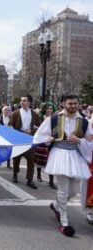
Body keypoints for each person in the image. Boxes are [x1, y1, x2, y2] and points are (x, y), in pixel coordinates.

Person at [34, 95, 93, 237]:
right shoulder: (52, 119)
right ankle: (64, 222)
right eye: (70, 103)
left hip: (75, 156)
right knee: (63, 190)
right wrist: (48, 139)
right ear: (63, 104)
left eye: (75, 103)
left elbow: (90, 142)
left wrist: (79, 141)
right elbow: (38, 136)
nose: (73, 106)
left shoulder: (84, 122)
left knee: (73, 192)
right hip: (59, 155)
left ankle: (56, 206)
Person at [9, 95, 41, 189]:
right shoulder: (16, 113)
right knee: (16, 158)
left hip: (29, 140)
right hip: (18, 139)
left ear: (29, 102)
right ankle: (15, 174)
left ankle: (29, 180)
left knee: (31, 160)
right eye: (21, 101)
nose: (22, 102)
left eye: (24, 101)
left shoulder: (35, 114)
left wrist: (32, 131)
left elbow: (39, 127)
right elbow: (10, 124)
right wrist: (13, 130)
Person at [34, 102, 57, 190]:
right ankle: (39, 175)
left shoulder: (55, 119)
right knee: (40, 159)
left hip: (51, 141)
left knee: (51, 160)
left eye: (51, 109)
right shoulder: (40, 118)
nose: (49, 110)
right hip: (41, 141)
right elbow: (37, 128)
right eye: (48, 108)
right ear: (45, 109)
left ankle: (51, 181)